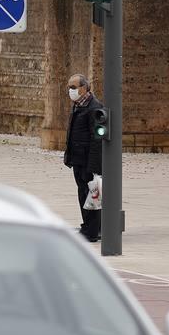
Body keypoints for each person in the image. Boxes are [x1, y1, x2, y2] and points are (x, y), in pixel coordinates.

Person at [63, 73, 104, 243]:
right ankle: (88, 226)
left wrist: (93, 166)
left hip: (87, 161)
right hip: (78, 159)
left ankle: (92, 231)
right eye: (69, 87)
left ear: (84, 88)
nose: (70, 91)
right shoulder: (78, 105)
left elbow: (97, 139)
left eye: (73, 87)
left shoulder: (93, 107)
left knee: (91, 195)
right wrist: (69, 156)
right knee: (83, 194)